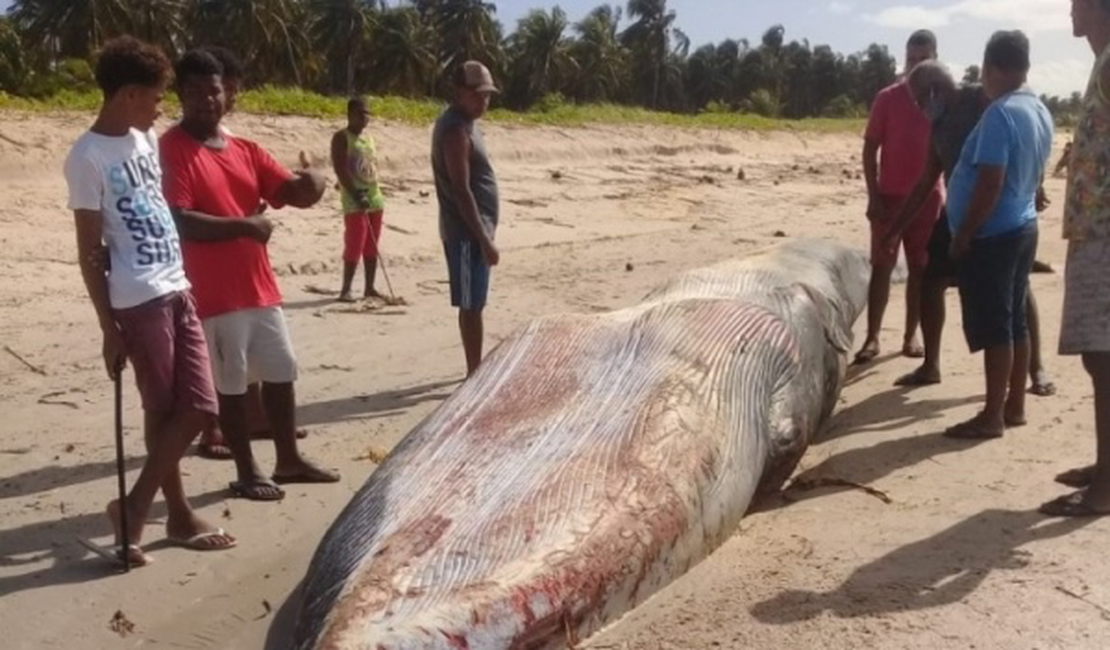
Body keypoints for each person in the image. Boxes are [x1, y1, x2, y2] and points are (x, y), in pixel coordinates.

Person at [64, 36, 236, 564]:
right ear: (129, 95)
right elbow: (89, 250)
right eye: (157, 95)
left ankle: (135, 506)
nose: (164, 105)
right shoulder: (87, 158)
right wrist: (107, 328)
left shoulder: (143, 140)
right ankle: (176, 514)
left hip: (176, 285)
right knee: (163, 410)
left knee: (201, 406)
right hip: (137, 300)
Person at [161, 49, 339, 501]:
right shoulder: (173, 148)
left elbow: (292, 192)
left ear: (227, 93)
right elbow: (180, 218)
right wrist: (246, 225)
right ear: (180, 95)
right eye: (196, 91)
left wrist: (315, 179)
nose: (207, 99)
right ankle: (246, 469)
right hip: (212, 293)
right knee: (232, 385)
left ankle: (288, 460)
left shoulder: (245, 149)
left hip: (259, 288)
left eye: (214, 89)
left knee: (281, 372)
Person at [882, 61, 1056, 397]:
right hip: (957, 214)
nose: (919, 107)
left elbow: (1022, 137)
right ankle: (930, 365)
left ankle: (1036, 369)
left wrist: (1036, 184)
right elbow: (925, 183)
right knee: (930, 279)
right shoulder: (938, 125)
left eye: (920, 99)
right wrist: (894, 230)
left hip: (999, 215)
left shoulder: (985, 100)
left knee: (1018, 292)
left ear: (936, 90)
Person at [942, 31, 1053, 440]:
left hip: (996, 234)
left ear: (991, 67)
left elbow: (990, 182)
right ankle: (1015, 406)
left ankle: (991, 415)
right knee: (1015, 320)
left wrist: (965, 232)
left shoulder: (1000, 114)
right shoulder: (1038, 108)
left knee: (996, 327)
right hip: (1023, 226)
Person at [1041, 0, 1110, 516]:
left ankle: (1106, 486)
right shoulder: (1102, 61)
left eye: (1077, 3)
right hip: (1094, 233)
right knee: (1098, 356)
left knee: (1103, 358)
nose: (1070, 10)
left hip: (1105, 235)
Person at [856, 30, 943, 365]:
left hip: (928, 200)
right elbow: (869, 148)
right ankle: (873, 336)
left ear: (935, 59)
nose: (917, 66)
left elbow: (948, 151)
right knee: (882, 266)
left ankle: (911, 334)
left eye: (924, 59)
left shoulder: (941, 102)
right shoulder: (887, 99)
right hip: (890, 198)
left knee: (920, 269)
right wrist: (873, 195)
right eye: (911, 59)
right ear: (904, 60)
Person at [432, 61, 501, 377]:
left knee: (476, 302)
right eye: (478, 95)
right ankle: (474, 372)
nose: (484, 101)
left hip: (475, 231)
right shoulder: (455, 129)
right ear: (460, 93)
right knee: (471, 306)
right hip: (466, 234)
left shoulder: (469, 123)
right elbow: (460, 189)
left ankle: (475, 368)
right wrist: (483, 239)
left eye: (487, 95)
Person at [332, 96, 387, 302]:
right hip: (355, 198)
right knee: (355, 242)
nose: (365, 117)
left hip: (374, 197)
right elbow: (340, 168)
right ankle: (346, 289)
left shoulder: (369, 139)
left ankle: (369, 287)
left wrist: (373, 194)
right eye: (361, 113)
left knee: (372, 245)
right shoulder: (342, 137)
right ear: (350, 114)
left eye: (368, 113)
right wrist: (356, 193)